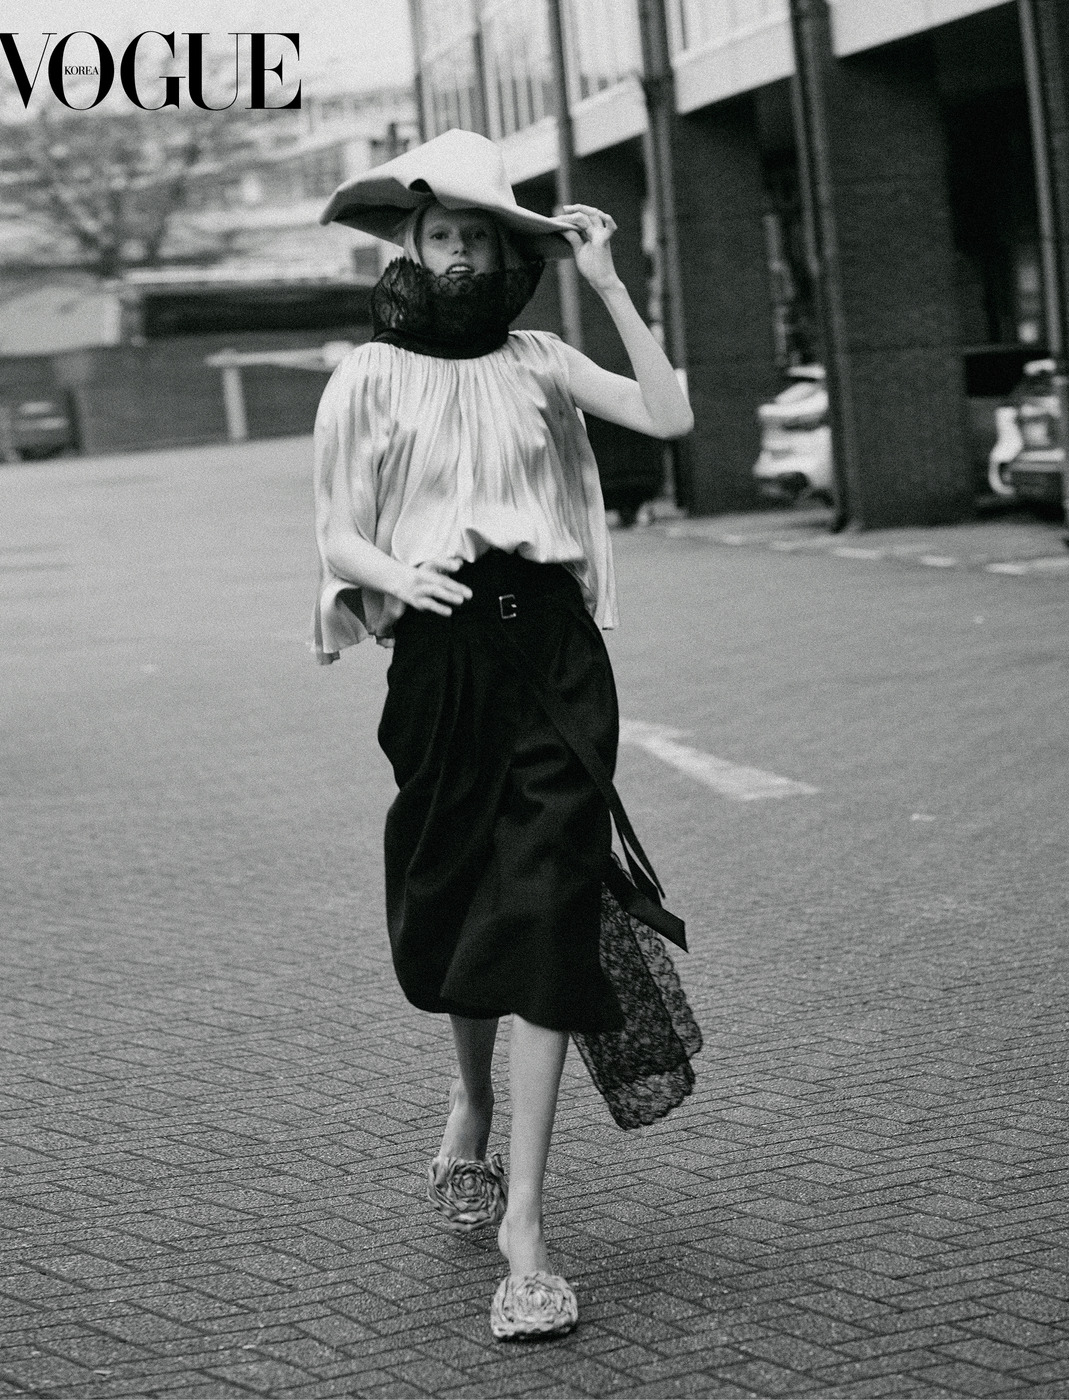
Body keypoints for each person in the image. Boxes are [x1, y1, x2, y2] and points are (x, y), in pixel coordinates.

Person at [313, 128, 693, 1340]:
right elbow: (336, 532)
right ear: (411, 248)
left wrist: (613, 286)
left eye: (481, 236)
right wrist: (396, 575)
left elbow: (668, 413)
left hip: (555, 655)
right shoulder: (367, 376)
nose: (463, 254)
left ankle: (526, 1223)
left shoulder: (540, 359)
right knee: (461, 892)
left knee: (545, 909)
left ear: (507, 252)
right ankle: (469, 1099)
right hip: (441, 658)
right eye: (443, 235)